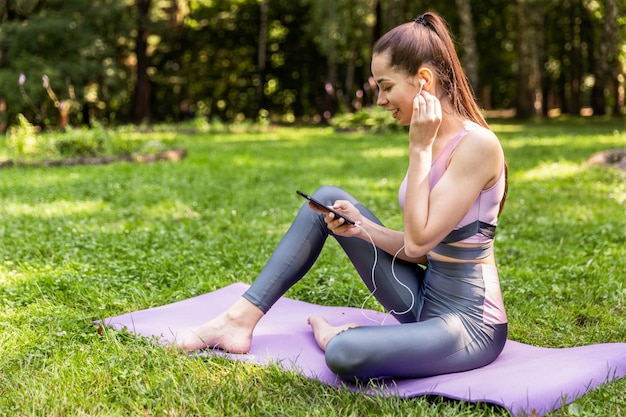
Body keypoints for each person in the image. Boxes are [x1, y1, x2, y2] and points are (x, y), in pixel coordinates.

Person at [179, 11, 509, 381]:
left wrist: (419, 151)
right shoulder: (428, 137)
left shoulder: (477, 145)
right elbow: (425, 246)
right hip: (422, 298)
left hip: (468, 325)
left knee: (344, 353)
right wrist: (361, 228)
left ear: (423, 81)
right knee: (327, 198)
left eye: (386, 86)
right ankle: (238, 321)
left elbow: (417, 245)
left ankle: (337, 334)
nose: (380, 100)